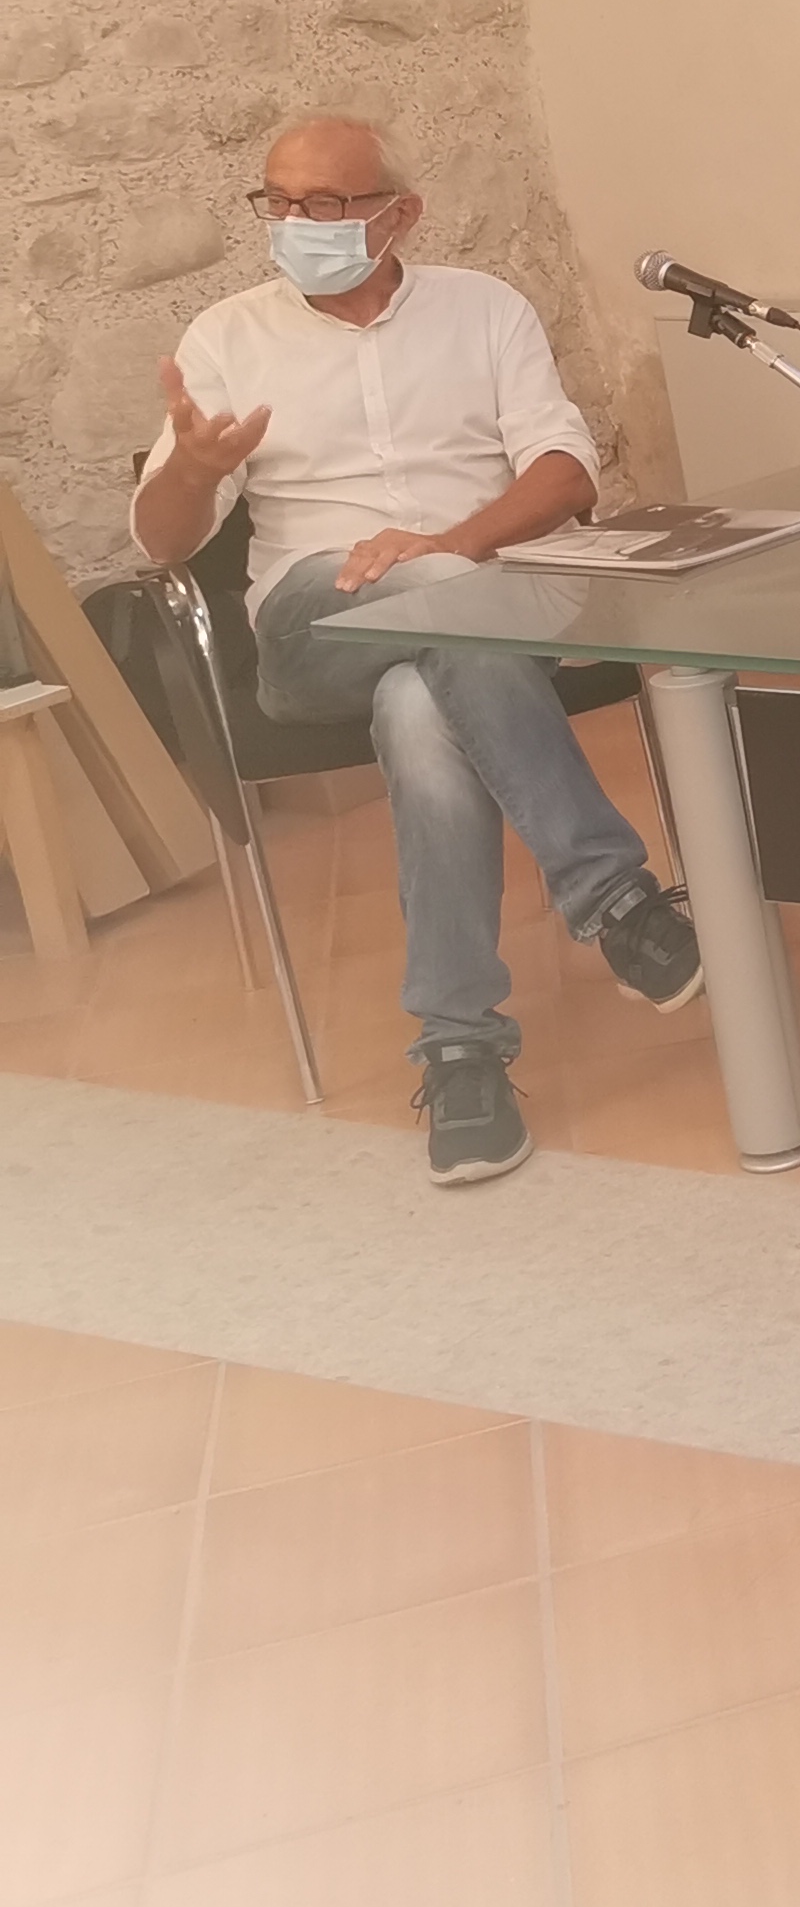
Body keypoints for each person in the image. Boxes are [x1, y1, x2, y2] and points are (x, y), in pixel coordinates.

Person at [129, 115, 706, 1186]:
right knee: (446, 611)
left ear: (400, 213)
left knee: (420, 701)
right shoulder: (226, 336)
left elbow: (566, 470)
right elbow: (162, 546)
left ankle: (460, 1046)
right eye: (277, 201)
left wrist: (445, 547)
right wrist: (194, 474)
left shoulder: (485, 310)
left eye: (324, 203)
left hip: (475, 603)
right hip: (310, 626)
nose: (294, 223)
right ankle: (614, 895)